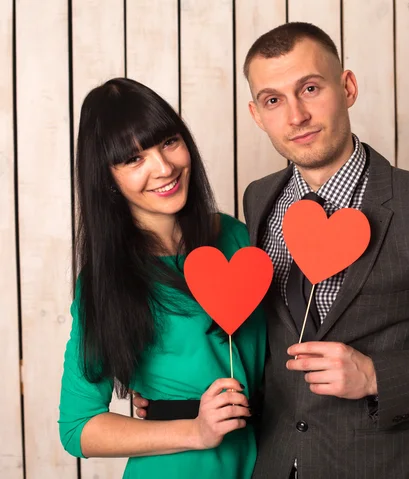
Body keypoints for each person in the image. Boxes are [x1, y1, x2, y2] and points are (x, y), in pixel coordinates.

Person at [135, 22, 409, 478]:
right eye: (273, 100)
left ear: (347, 87)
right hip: (274, 465)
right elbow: (254, 334)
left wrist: (377, 376)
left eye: (309, 88)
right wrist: (172, 399)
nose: (296, 115)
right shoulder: (258, 198)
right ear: (256, 114)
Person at [58, 78, 266, 479]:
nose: (164, 168)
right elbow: (78, 427)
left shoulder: (237, 236)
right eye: (133, 160)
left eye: (168, 142)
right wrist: (195, 430)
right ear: (108, 178)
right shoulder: (107, 282)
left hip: (271, 457)